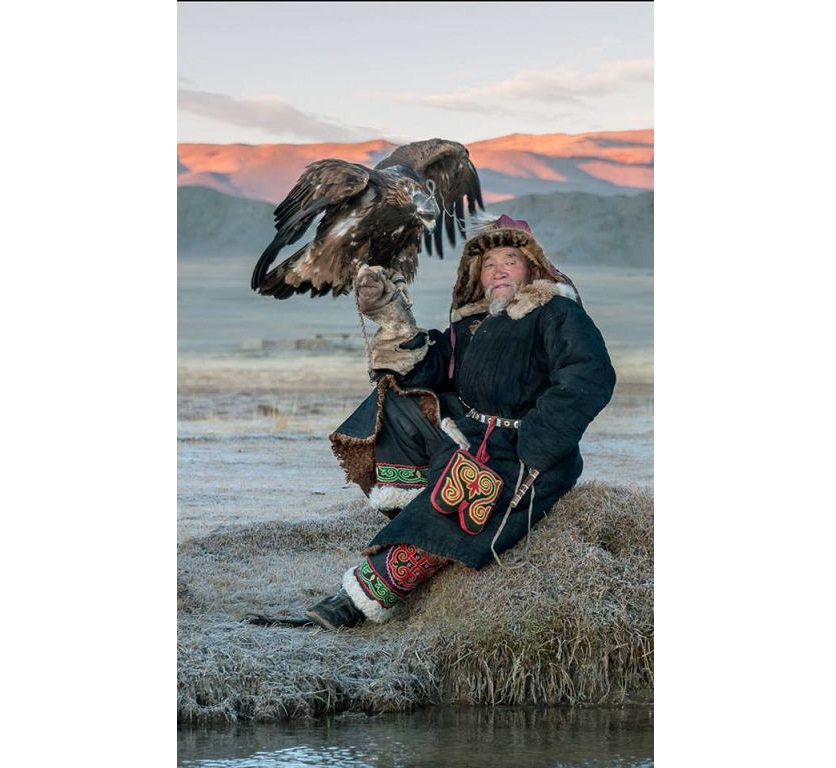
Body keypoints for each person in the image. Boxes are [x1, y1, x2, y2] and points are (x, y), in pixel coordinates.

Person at [304, 215, 617, 630]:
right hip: (472, 436)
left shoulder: (557, 312)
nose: (498, 270)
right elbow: (424, 373)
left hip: (525, 450)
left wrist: (537, 443)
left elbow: (589, 376)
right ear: (477, 275)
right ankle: (412, 511)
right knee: (396, 401)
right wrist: (394, 321)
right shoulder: (472, 325)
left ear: (531, 268)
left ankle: (357, 600)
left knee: (464, 492)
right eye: (489, 264)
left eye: (510, 260)